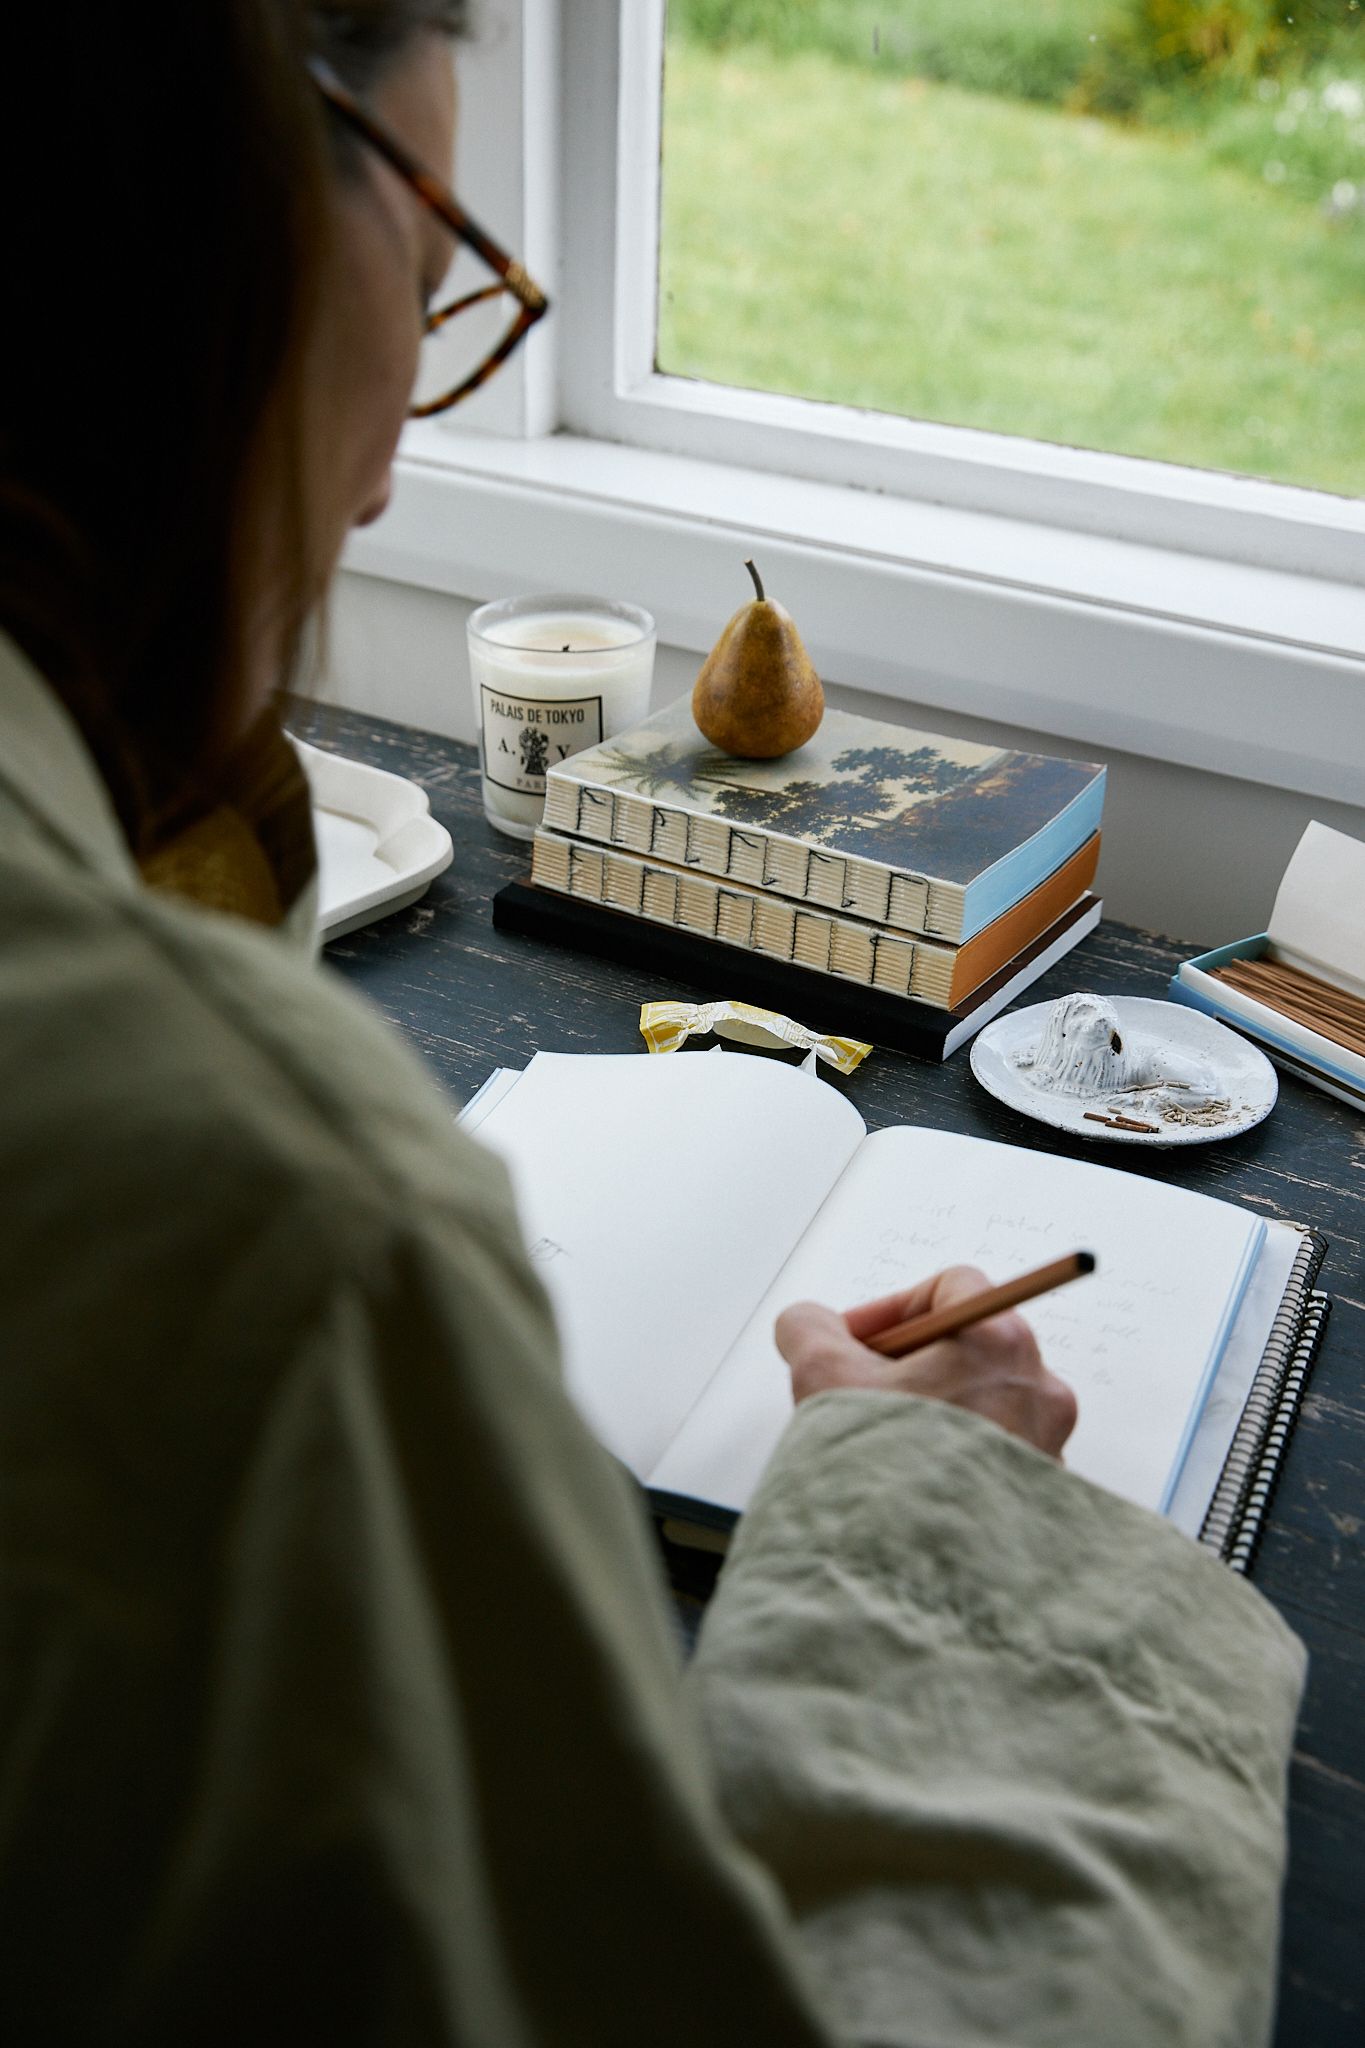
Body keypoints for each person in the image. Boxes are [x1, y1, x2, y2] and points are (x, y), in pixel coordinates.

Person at [0, 5, 1304, 2043]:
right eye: (429, 300)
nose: (370, 485)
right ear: (191, 233)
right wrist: (930, 1530)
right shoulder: (256, 1214)